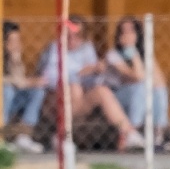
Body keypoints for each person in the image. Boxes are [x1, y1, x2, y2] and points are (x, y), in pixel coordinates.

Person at [38, 21, 144, 150]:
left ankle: (129, 133)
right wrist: (78, 74)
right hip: (56, 97)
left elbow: (93, 80)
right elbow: (49, 78)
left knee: (101, 90)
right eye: (68, 36)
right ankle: (61, 135)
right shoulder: (54, 49)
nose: (72, 40)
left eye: (77, 36)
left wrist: (96, 70)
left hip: (79, 100)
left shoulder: (87, 48)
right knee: (74, 87)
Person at [104, 17, 169, 141]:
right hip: (118, 97)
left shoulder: (144, 55)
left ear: (138, 35)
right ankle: (134, 130)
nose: (127, 35)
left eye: (131, 31)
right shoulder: (113, 55)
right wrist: (131, 50)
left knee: (159, 89)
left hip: (141, 97)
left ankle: (158, 132)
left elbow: (160, 81)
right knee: (141, 86)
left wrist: (139, 55)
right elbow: (138, 76)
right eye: (123, 32)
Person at [2, 22, 44, 153]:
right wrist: (16, 81)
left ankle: (23, 136)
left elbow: (20, 80)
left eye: (18, 40)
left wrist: (15, 61)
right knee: (7, 90)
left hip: (13, 102)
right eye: (12, 41)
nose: (17, 44)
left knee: (37, 91)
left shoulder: (14, 57)